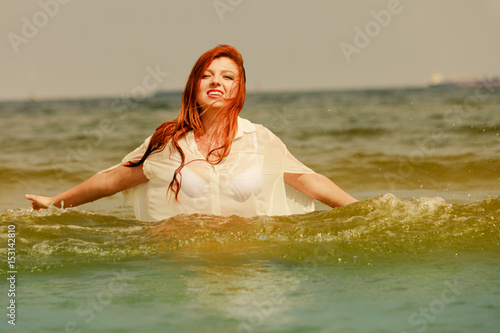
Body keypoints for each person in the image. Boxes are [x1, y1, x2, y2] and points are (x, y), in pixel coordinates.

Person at [26, 45, 358, 222]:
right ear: (194, 86)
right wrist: (54, 202)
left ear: (238, 90)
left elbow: (309, 181)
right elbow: (112, 180)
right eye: (207, 75)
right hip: (178, 261)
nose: (217, 82)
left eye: (228, 77)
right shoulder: (168, 143)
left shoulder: (259, 139)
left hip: (249, 257)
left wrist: (364, 211)